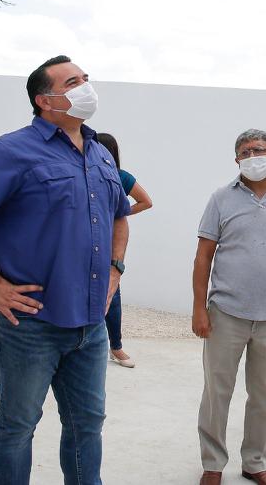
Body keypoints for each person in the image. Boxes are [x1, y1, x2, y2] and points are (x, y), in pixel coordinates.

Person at [0, 56, 129, 485]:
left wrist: (116, 269)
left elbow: (121, 215)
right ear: (45, 100)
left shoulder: (100, 153)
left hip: (90, 323)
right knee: (17, 428)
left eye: (86, 78)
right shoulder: (9, 151)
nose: (86, 87)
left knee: (87, 425)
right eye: (73, 82)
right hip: (26, 325)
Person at [193, 129, 266, 485]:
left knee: (263, 393)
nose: (252, 156)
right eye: (245, 152)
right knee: (217, 393)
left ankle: (255, 461)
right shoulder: (220, 198)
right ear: (236, 161)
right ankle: (213, 463)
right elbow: (203, 257)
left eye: (259, 150)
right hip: (225, 313)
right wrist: (199, 308)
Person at [95, 132, 155, 369]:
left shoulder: (120, 177)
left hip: (109, 244)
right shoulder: (80, 172)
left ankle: (115, 346)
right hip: (82, 241)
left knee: (112, 292)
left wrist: (119, 214)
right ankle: (105, 346)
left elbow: (146, 201)